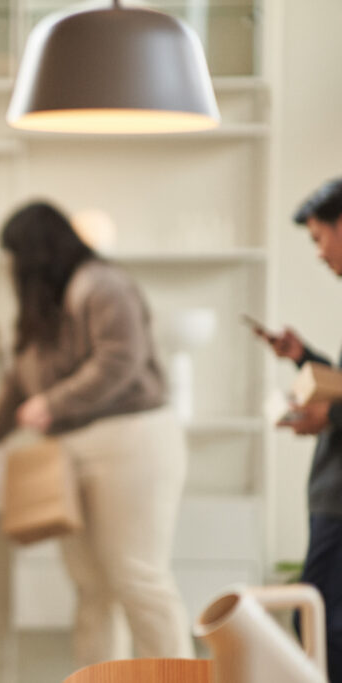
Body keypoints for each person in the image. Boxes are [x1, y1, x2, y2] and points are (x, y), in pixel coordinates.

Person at [0, 200, 194, 666]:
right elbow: (19, 386)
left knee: (137, 578)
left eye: (16, 256)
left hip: (131, 441)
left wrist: (52, 404)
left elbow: (120, 360)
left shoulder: (102, 285)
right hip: (72, 452)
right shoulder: (47, 307)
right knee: (93, 587)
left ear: (34, 254)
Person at [255, 176, 342, 682]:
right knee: (317, 621)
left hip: (338, 500)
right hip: (330, 494)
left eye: (318, 238)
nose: (318, 253)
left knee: (320, 624)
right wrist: (305, 358)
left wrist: (327, 416)